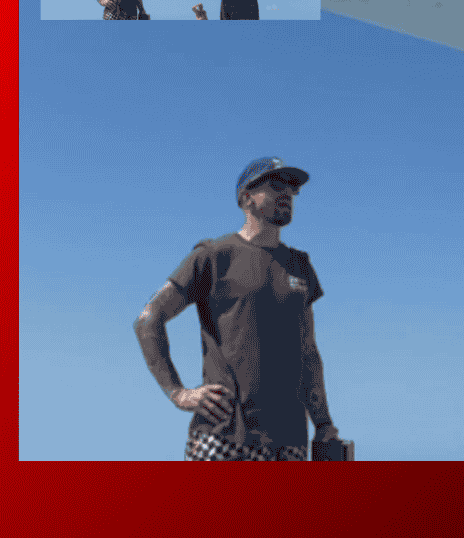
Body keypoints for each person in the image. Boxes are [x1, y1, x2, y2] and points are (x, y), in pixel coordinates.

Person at [133, 157, 339, 460]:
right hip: (224, 435)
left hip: (290, 441)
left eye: (292, 189)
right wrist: (179, 394)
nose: (287, 193)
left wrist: (323, 423)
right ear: (246, 198)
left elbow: (308, 351)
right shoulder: (213, 256)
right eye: (276, 185)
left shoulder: (300, 266)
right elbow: (148, 320)